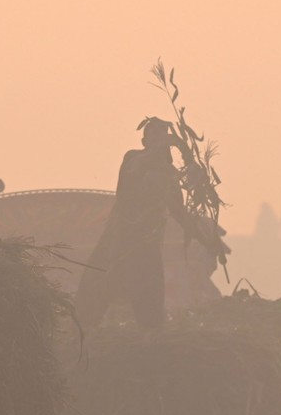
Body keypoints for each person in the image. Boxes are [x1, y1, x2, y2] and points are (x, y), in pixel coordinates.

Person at [76, 117, 221, 331]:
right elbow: (130, 180)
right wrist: (164, 145)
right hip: (118, 241)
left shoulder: (170, 175)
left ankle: (150, 340)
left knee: (150, 299)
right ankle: (82, 337)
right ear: (144, 142)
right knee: (95, 290)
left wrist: (209, 240)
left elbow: (180, 215)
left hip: (147, 246)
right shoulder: (133, 159)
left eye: (163, 135)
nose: (160, 140)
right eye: (154, 136)